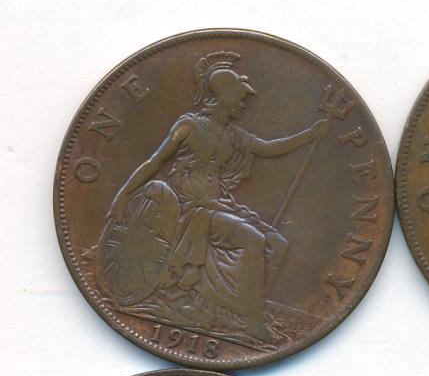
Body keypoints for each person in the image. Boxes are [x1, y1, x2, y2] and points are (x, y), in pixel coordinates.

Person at [104, 51, 329, 341]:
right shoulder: (189, 126)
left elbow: (269, 148)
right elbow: (155, 162)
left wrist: (310, 135)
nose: (244, 103)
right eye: (241, 97)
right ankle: (250, 320)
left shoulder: (233, 134)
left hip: (216, 203)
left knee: (277, 244)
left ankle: (233, 311)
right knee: (253, 240)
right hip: (186, 206)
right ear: (225, 96)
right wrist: (123, 194)